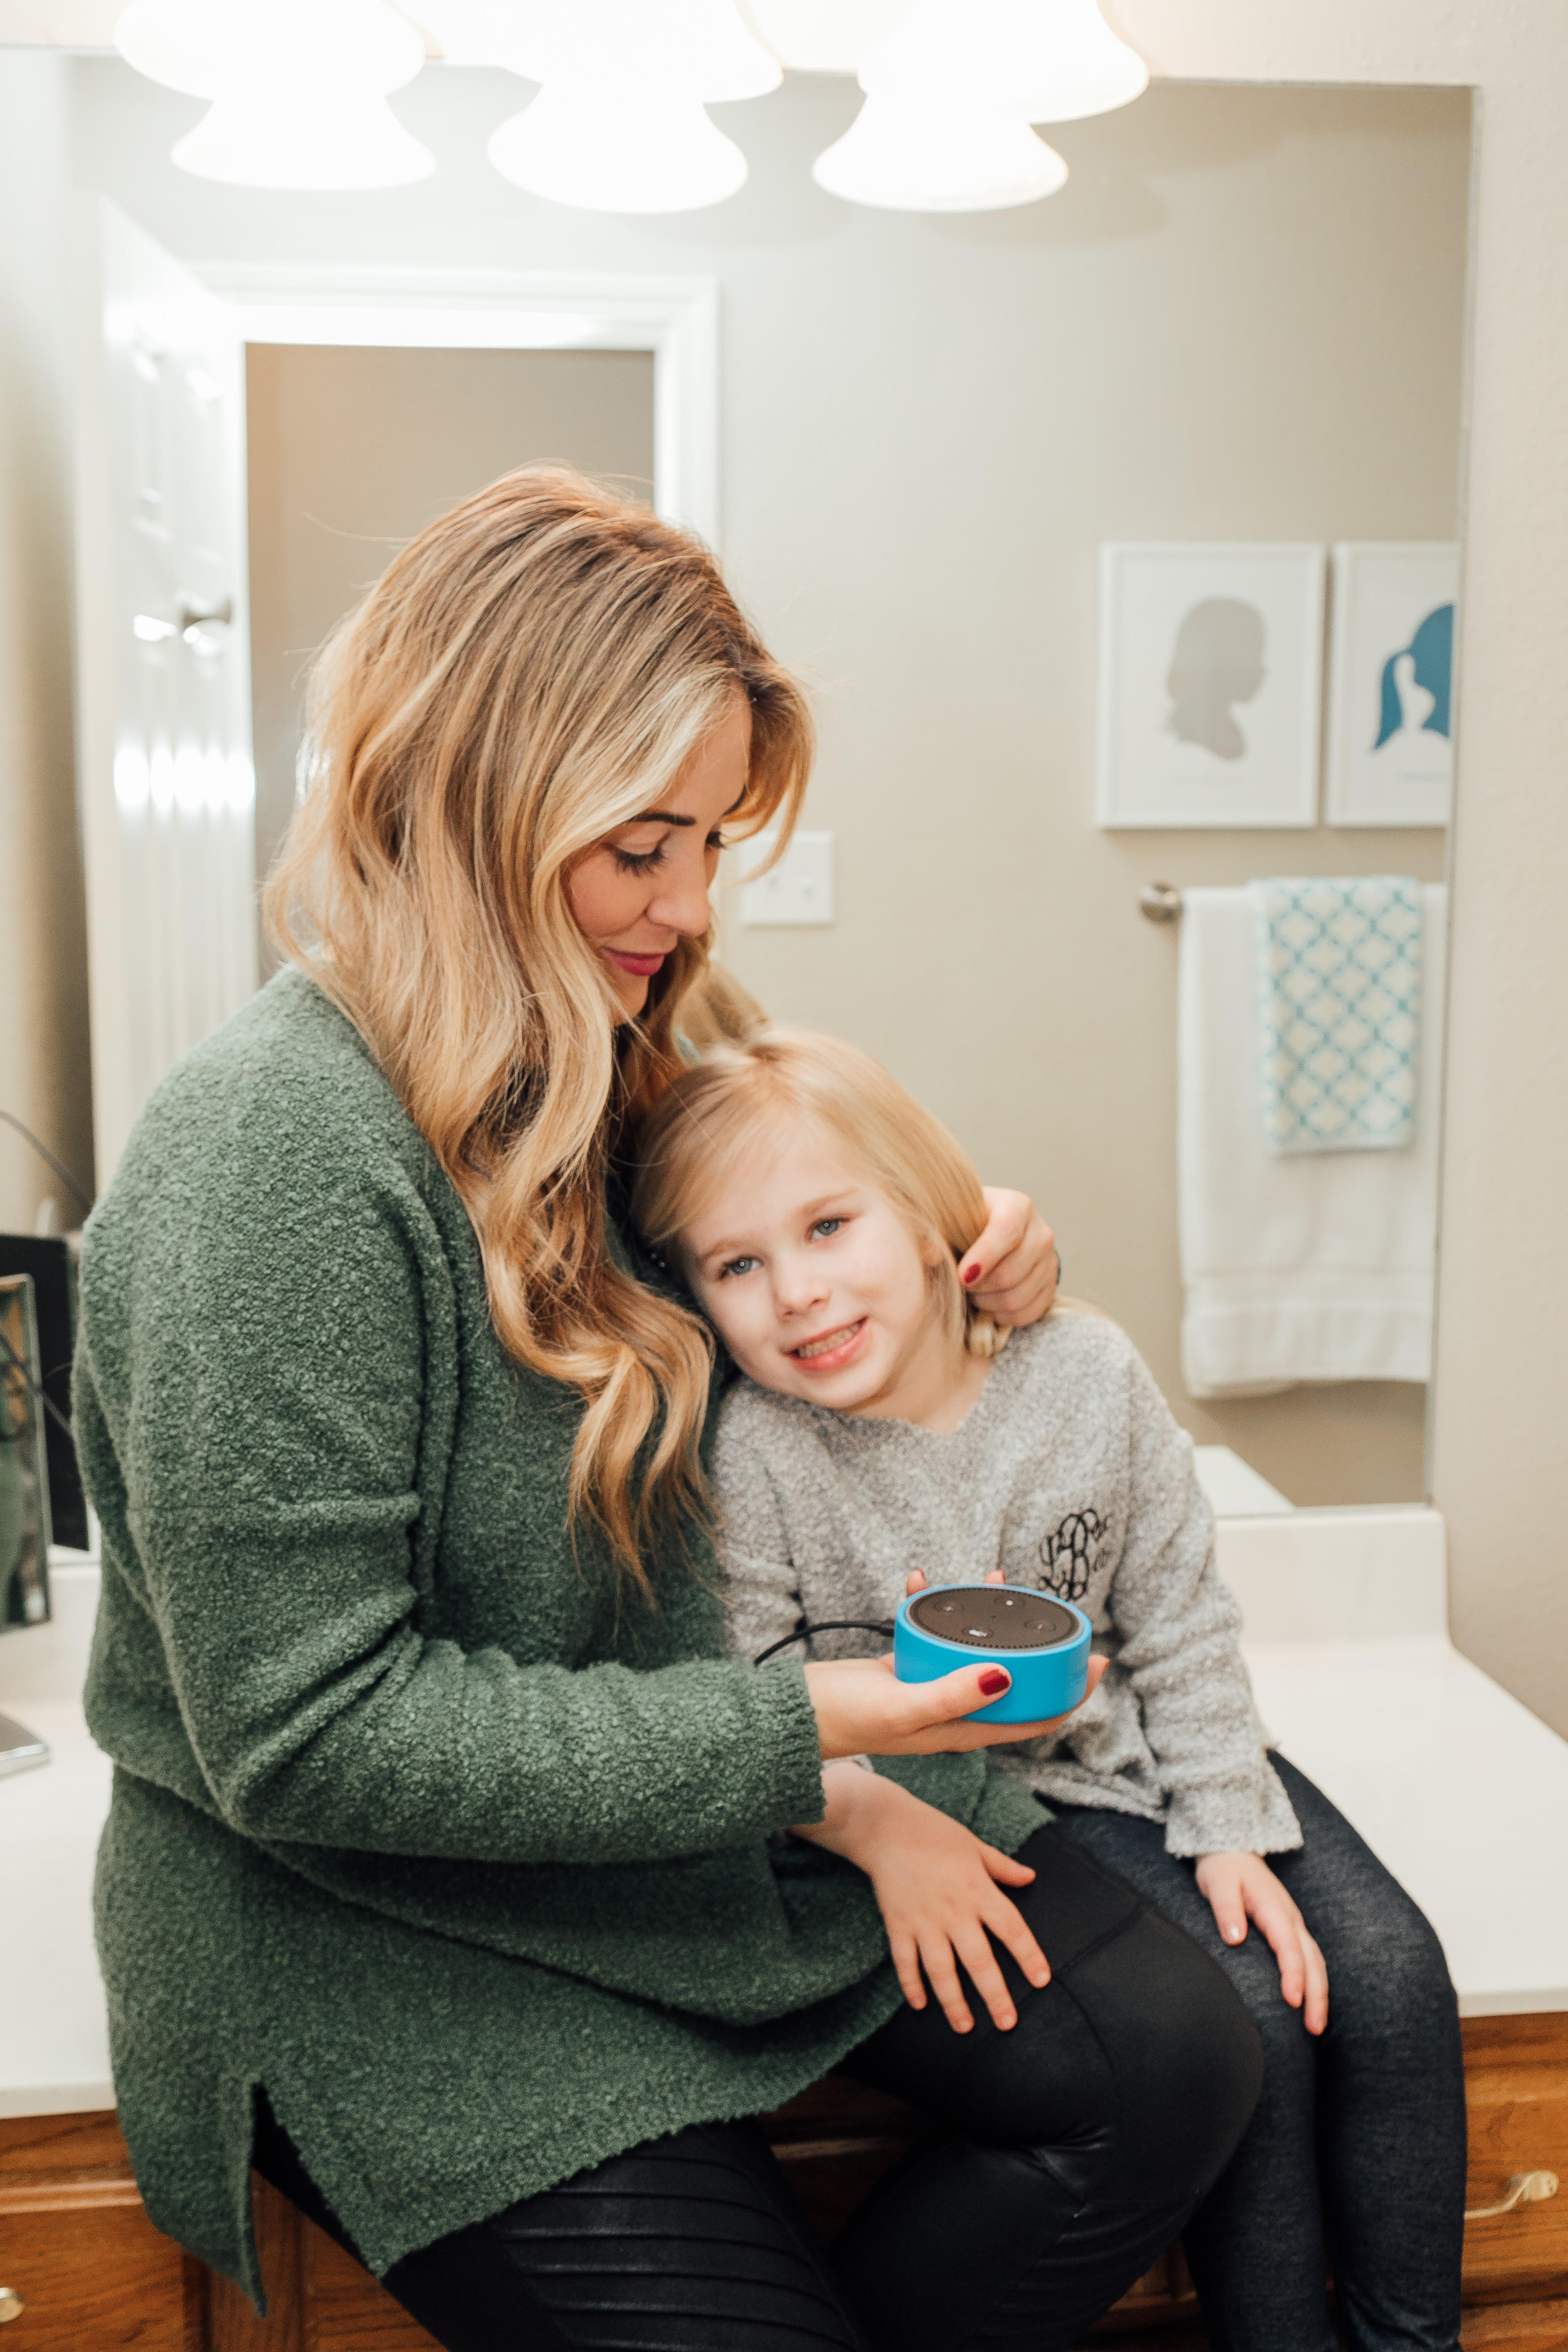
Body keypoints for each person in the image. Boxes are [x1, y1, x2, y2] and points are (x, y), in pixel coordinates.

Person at [77, 467, 1261, 2352]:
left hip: (694, 1823)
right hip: (379, 1928)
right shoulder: (271, 1155)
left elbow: (813, 1247)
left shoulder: (643, 1038)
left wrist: (977, 1264)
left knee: (1185, 2052)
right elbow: (306, 1738)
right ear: (474, 792)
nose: (690, 907)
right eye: (641, 845)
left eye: (710, 842)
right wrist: (831, 1743)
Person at [632, 1024, 1469, 2352]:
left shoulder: (1086, 1374)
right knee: (1255, 2016)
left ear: (928, 1218)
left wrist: (1228, 1820)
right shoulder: (761, 1451)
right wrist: (866, 1818)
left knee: (1392, 1974)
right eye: (739, 1264)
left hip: (1142, 1742)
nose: (796, 1292)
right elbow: (754, 1696)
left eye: (829, 1225)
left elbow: (1180, 1618)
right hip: (989, 1803)